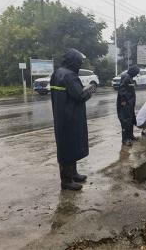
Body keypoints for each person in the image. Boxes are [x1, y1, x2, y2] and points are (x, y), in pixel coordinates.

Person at [50, 48, 96, 191]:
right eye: (79, 62)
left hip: (63, 116)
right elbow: (80, 95)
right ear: (74, 62)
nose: (80, 65)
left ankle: (73, 173)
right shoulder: (69, 76)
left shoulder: (57, 73)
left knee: (69, 146)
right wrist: (92, 87)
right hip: (70, 117)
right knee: (69, 147)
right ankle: (66, 180)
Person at [117, 65, 140, 146]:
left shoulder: (129, 77)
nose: (136, 75)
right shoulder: (126, 76)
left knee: (130, 120)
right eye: (136, 73)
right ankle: (125, 139)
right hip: (125, 104)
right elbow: (121, 89)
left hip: (130, 103)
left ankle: (130, 136)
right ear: (133, 71)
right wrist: (123, 100)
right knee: (125, 121)